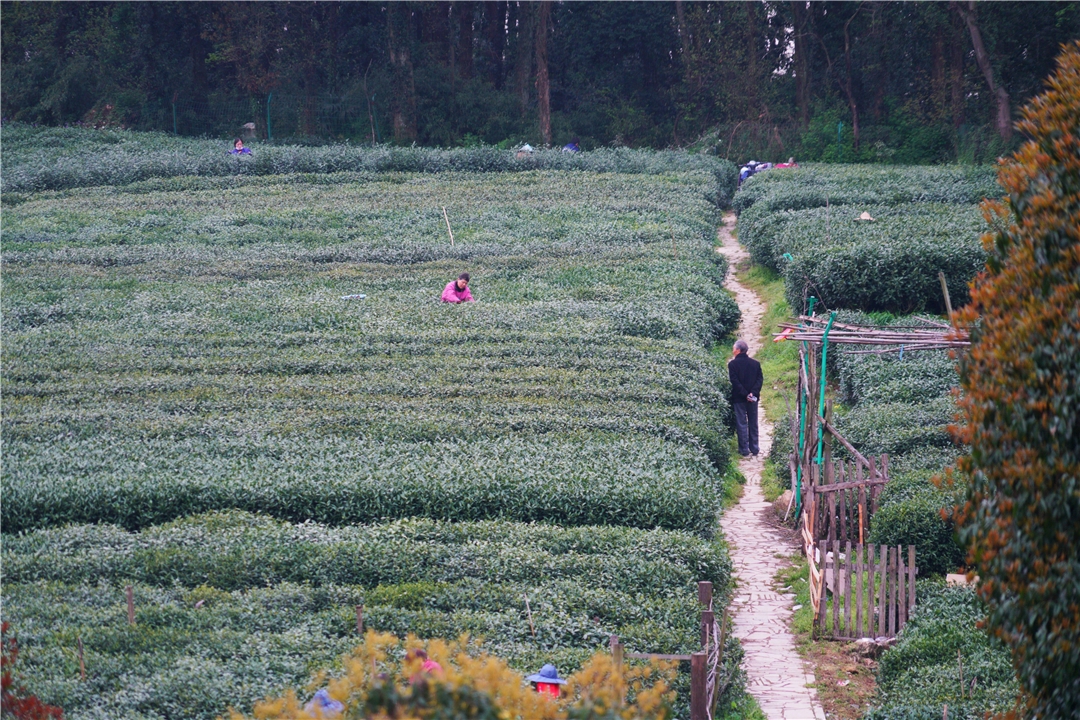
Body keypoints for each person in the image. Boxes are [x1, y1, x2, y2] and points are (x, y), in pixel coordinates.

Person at [728, 339, 763, 457]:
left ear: (738, 350)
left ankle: (744, 449)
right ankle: (755, 448)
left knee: (741, 423)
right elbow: (759, 380)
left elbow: (735, 382)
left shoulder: (732, 365)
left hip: (739, 398)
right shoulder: (755, 364)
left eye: (734, 348)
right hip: (753, 399)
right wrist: (752, 393)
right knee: (753, 422)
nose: (733, 351)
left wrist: (745, 394)